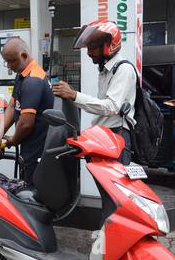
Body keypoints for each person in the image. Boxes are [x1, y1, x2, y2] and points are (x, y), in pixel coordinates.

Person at [52, 20, 136, 165]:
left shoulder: (123, 70)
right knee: (103, 185)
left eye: (94, 47)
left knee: (112, 185)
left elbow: (111, 107)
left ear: (110, 45)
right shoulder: (105, 70)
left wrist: (74, 95)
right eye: (88, 48)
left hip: (116, 136)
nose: (89, 52)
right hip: (104, 135)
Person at [0, 38, 54, 185]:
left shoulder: (33, 80)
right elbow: (12, 106)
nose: (9, 66)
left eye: (12, 61)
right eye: (6, 62)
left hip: (37, 149)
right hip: (28, 146)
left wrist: (13, 140)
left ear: (24, 56)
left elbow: (26, 124)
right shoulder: (22, 75)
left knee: (32, 192)